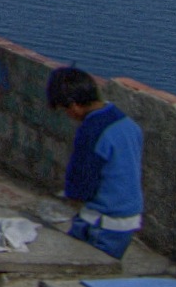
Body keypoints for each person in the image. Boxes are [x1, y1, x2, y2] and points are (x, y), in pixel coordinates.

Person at [47, 66, 145, 258]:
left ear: (73, 105)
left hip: (102, 220)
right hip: (129, 218)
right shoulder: (127, 123)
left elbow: (82, 181)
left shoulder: (92, 131)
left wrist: (71, 197)